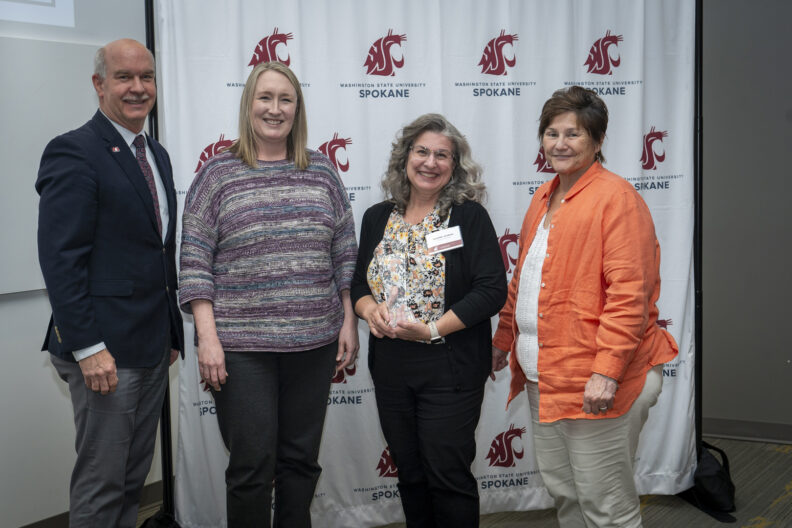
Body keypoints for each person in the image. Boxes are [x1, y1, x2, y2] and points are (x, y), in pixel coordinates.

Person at [179, 61, 358, 527]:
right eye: (265, 97)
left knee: (300, 463)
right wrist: (207, 338)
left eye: (286, 99)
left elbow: (344, 248)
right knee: (251, 470)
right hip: (242, 351)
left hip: (314, 344)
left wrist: (348, 319)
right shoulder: (216, 174)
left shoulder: (320, 169)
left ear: (298, 109)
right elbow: (195, 261)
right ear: (248, 105)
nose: (274, 109)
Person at [491, 86, 679, 528]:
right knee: (566, 492)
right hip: (546, 373)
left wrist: (606, 371)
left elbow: (630, 295)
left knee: (605, 503)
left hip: (596, 381)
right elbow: (524, 278)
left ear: (597, 141)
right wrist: (504, 339)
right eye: (551, 132)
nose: (559, 143)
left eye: (572, 134)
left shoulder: (616, 199)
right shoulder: (544, 196)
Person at [35, 39, 183, 527]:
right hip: (104, 351)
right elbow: (61, 260)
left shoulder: (155, 154)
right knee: (101, 488)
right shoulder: (74, 150)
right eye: (124, 77)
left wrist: (169, 334)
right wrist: (88, 347)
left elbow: (155, 251)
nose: (138, 88)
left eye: (147, 77)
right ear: (100, 85)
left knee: (130, 481)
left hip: (149, 345)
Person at [351, 113, 507, 527]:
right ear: (406, 157)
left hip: (450, 367)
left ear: (454, 166)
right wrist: (371, 311)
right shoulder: (376, 217)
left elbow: (491, 291)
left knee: (447, 476)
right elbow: (357, 286)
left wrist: (434, 329)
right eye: (422, 151)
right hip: (391, 369)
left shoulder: (468, 218)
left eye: (442, 155)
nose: (430, 162)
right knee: (411, 476)